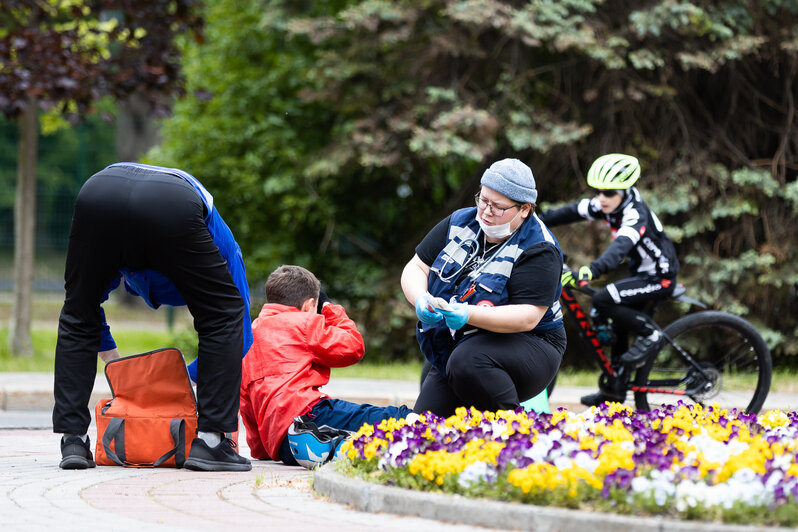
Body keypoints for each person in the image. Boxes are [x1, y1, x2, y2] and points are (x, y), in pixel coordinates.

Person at [54, 162, 253, 472]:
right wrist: (120, 369)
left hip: (99, 191)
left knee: (77, 312)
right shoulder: (210, 247)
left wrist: (176, 378)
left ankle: (74, 441)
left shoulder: (223, 250)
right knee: (223, 312)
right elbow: (233, 327)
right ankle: (211, 443)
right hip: (166, 202)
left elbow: (85, 311)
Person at [401, 158, 566, 418]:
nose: (486, 212)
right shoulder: (459, 222)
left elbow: (528, 317)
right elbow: (417, 266)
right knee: (424, 425)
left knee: (468, 360)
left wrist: (469, 314)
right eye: (483, 200)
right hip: (461, 344)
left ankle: (515, 435)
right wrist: (420, 297)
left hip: (530, 344)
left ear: (524, 209)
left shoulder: (539, 247)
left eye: (498, 207)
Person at [538, 153, 679, 406]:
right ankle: (614, 391)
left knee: (604, 298)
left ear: (624, 191)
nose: (601, 198)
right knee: (618, 328)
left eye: (609, 192)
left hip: (661, 276)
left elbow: (619, 249)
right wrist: (532, 220)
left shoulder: (636, 214)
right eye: (598, 191)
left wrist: (590, 270)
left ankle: (651, 335)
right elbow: (569, 212)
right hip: (641, 273)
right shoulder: (607, 204)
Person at [239, 265, 414, 466]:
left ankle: (332, 445)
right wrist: (330, 307)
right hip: (308, 415)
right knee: (397, 417)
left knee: (354, 429)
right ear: (309, 305)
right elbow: (353, 346)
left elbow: (247, 404)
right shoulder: (302, 322)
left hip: (284, 446)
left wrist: (265, 448)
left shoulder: (248, 336)